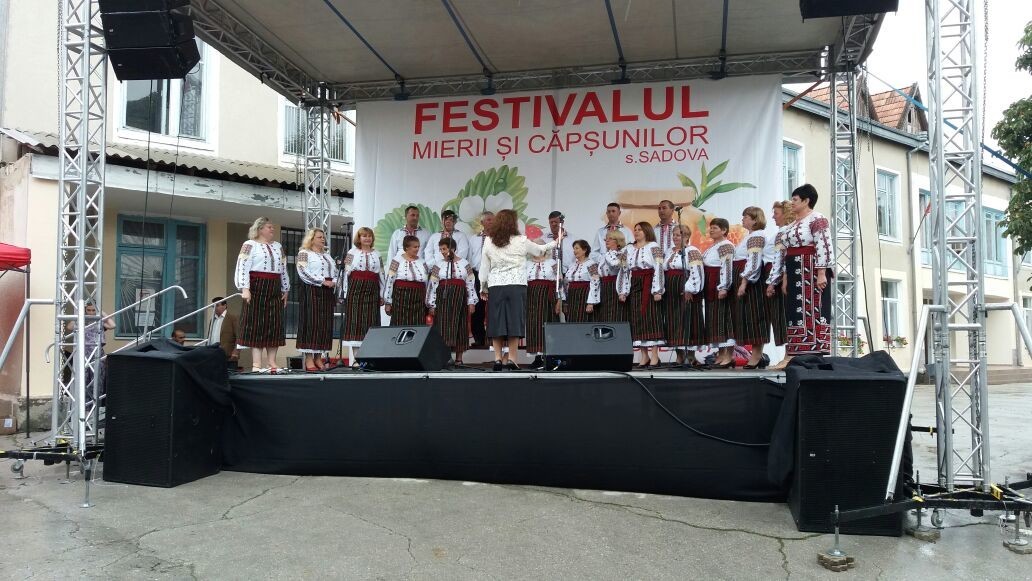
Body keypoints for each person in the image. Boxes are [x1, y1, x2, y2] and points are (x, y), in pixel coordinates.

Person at [479, 209, 557, 371]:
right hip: (516, 285)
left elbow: (484, 266)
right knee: (514, 320)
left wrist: (483, 286)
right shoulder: (521, 240)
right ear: (513, 223)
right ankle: (512, 359)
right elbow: (540, 250)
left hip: (496, 285)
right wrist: (556, 241)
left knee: (497, 321)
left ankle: (498, 359)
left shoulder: (489, 240)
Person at [773, 184, 832, 369]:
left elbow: (823, 245)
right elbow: (786, 252)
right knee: (794, 311)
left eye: (795, 199)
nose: (792, 203)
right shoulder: (792, 225)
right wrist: (785, 277)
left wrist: (821, 273)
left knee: (812, 310)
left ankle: (811, 355)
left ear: (806, 201)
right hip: (794, 270)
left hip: (810, 269)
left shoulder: (817, 219)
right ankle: (792, 354)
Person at [234, 216, 290, 373]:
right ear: (259, 229)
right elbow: (242, 266)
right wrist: (245, 288)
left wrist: (285, 288)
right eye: (269, 227)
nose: (272, 229)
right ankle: (257, 364)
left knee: (274, 324)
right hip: (256, 286)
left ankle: (272, 362)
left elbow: (283, 268)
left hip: (275, 287)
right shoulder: (249, 245)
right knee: (256, 324)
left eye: (272, 227)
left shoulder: (278, 246)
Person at [618, 222, 665, 368]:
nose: (637, 232)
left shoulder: (653, 247)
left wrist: (657, 290)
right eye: (635, 229)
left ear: (646, 231)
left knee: (652, 316)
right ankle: (644, 356)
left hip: (649, 281)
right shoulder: (629, 248)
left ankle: (655, 355)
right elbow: (624, 270)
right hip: (635, 282)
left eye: (640, 230)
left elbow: (659, 267)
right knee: (637, 317)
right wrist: (623, 290)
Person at [427, 238, 478, 364]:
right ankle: (446, 357)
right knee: (443, 326)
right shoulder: (438, 265)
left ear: (453, 248)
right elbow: (432, 285)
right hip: (443, 298)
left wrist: (471, 302)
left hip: (460, 298)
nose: (442, 252)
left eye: (444, 249)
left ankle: (459, 359)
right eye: (440, 249)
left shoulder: (465, 263)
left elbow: (470, 283)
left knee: (460, 325)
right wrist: (432, 304)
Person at [296, 228, 337, 371]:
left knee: (324, 324)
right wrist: (321, 281)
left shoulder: (327, 256)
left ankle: (318, 357)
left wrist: (334, 281)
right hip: (311, 290)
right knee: (311, 323)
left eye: (323, 237)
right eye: (319, 237)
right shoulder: (304, 253)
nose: (323, 239)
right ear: (311, 239)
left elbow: (335, 272)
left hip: (327, 292)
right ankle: (309, 358)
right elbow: (302, 271)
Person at [734, 207, 770, 369]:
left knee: (756, 317)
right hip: (747, 280)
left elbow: (754, 261)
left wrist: (744, 282)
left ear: (755, 220)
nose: (743, 219)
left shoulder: (757, 236)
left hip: (754, 284)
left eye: (746, 217)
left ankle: (756, 355)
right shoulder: (750, 236)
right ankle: (756, 355)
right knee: (749, 318)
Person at [340, 226, 386, 347]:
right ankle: (356, 355)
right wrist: (344, 292)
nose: (367, 238)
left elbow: (381, 274)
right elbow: (346, 273)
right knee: (355, 321)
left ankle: (369, 352)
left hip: (372, 290)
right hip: (355, 289)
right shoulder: (351, 253)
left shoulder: (377, 254)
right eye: (364, 236)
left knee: (371, 320)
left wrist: (382, 294)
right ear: (359, 238)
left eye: (369, 236)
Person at [702, 218, 735, 368]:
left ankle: (729, 356)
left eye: (715, 228)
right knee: (715, 319)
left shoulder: (726, 245)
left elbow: (727, 266)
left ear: (724, 230)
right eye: (711, 227)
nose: (711, 230)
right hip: (711, 283)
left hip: (719, 282)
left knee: (725, 318)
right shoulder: (713, 247)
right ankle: (721, 354)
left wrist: (724, 287)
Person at [662, 225, 696, 366]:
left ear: (687, 236)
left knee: (686, 319)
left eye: (679, 235)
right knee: (673, 320)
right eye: (674, 235)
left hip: (684, 286)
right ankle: (679, 356)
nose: (675, 237)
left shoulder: (691, 251)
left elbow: (696, 270)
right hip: (670, 289)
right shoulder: (669, 251)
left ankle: (691, 356)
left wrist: (689, 289)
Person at [764, 201, 795, 349]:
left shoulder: (783, 232)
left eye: (776, 213)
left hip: (779, 276)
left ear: (785, 214)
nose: (773, 217)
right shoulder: (783, 232)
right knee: (780, 315)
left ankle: (789, 354)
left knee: (782, 315)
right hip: (778, 274)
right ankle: (788, 353)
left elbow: (780, 258)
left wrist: (773, 282)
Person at [525, 245, 561, 370]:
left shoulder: (553, 263)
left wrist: (560, 300)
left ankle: (548, 357)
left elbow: (560, 282)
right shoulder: (527, 264)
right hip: (531, 296)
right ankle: (537, 357)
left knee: (546, 323)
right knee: (533, 325)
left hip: (547, 297)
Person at [385, 235, 430, 326]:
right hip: (401, 297)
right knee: (399, 322)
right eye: (415, 247)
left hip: (418, 298)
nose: (417, 249)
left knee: (417, 323)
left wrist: (428, 300)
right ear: (407, 247)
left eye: (418, 246)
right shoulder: (397, 260)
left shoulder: (422, 262)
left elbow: (427, 283)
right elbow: (390, 281)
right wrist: (388, 302)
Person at [467, 211, 494, 347]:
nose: (491, 222)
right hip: (478, 275)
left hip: (494, 275)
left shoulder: (499, 238)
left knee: (494, 307)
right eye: (488, 220)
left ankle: (495, 338)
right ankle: (479, 338)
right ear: (482, 222)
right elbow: (469, 257)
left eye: (493, 220)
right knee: (477, 307)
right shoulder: (473, 239)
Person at [562, 239, 601, 326]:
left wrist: (591, 302)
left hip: (584, 295)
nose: (574, 251)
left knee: (583, 319)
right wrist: (565, 301)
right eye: (574, 249)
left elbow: (595, 282)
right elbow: (566, 283)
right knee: (571, 319)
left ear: (584, 250)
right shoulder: (572, 265)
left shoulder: (591, 264)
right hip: (572, 297)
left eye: (577, 248)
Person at [596, 230, 628, 323]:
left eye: (610, 238)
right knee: (605, 312)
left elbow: (615, 264)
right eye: (606, 239)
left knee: (614, 312)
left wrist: (621, 257)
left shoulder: (617, 254)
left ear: (618, 241)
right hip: (604, 285)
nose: (607, 240)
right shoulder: (607, 254)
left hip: (613, 285)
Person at [208, 297, 240, 368]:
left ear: (225, 306)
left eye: (217, 305)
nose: (215, 308)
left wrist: (236, 351)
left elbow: (239, 336)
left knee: (229, 375)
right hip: (213, 355)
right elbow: (209, 337)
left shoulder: (232, 318)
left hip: (228, 356)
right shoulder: (212, 320)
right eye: (213, 306)